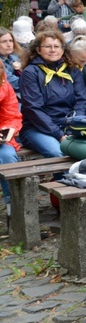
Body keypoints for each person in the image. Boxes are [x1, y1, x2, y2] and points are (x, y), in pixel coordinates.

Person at [19, 30, 86, 158]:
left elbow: (81, 101)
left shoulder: (72, 70)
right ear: (38, 50)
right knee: (59, 152)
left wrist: (74, 128)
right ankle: (63, 178)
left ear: (63, 49)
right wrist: (59, 134)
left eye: (57, 46)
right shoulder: (30, 73)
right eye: (48, 46)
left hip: (69, 124)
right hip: (37, 128)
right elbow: (34, 109)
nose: (53, 50)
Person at [0, 63, 21, 225]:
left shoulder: (6, 87)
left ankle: (12, 208)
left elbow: (13, 116)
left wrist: (7, 131)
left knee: (7, 156)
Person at [0, 28, 22, 95]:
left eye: (11, 41)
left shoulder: (15, 58)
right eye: (4, 42)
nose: (9, 45)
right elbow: (16, 84)